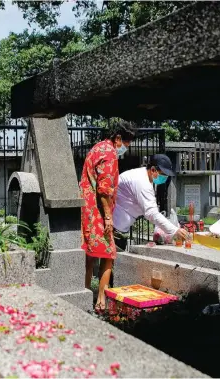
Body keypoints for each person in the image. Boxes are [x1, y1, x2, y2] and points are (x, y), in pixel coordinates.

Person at [80, 120, 137, 312]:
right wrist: (107, 217)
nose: (126, 148)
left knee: (90, 254)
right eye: (127, 143)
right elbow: (104, 189)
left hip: (87, 208)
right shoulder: (110, 153)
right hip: (97, 211)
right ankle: (101, 300)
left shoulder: (97, 148)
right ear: (119, 138)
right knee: (109, 253)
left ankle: (85, 293)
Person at [112, 154, 190, 252]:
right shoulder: (141, 181)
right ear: (153, 170)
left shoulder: (144, 177)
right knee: (111, 263)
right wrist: (175, 230)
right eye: (163, 174)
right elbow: (151, 213)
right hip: (114, 228)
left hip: (119, 227)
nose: (165, 178)